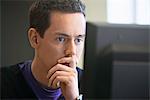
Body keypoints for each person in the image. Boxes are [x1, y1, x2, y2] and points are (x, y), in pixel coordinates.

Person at [1, 0, 86, 99]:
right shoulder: (4, 83)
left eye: (78, 40)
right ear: (35, 39)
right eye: (61, 39)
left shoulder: (93, 85)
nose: (72, 51)